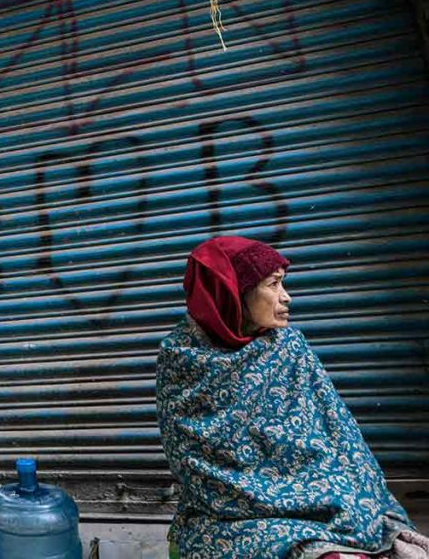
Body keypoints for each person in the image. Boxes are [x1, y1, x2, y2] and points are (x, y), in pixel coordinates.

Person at [156, 236, 428, 559]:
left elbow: (338, 436)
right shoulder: (181, 360)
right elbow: (193, 465)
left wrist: (322, 493)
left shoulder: (288, 348)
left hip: (313, 499)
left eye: (283, 284)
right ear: (232, 293)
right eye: (273, 285)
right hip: (223, 515)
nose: (286, 298)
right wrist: (274, 497)